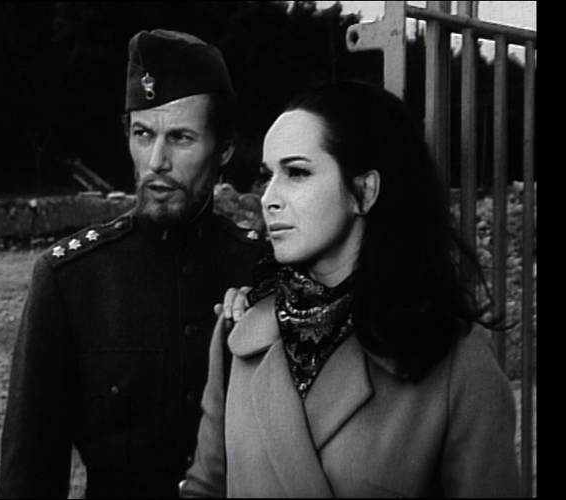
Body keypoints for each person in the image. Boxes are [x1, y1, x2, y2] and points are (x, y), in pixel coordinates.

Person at [180, 81, 521, 498]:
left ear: (364, 191)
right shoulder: (239, 335)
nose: (268, 198)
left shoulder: (457, 364)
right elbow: (204, 487)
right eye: (268, 176)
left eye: (297, 173)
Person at [0, 29, 265, 498]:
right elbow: (30, 471)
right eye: (143, 134)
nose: (157, 161)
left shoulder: (264, 269)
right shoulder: (72, 280)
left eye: (181, 138)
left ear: (223, 148)